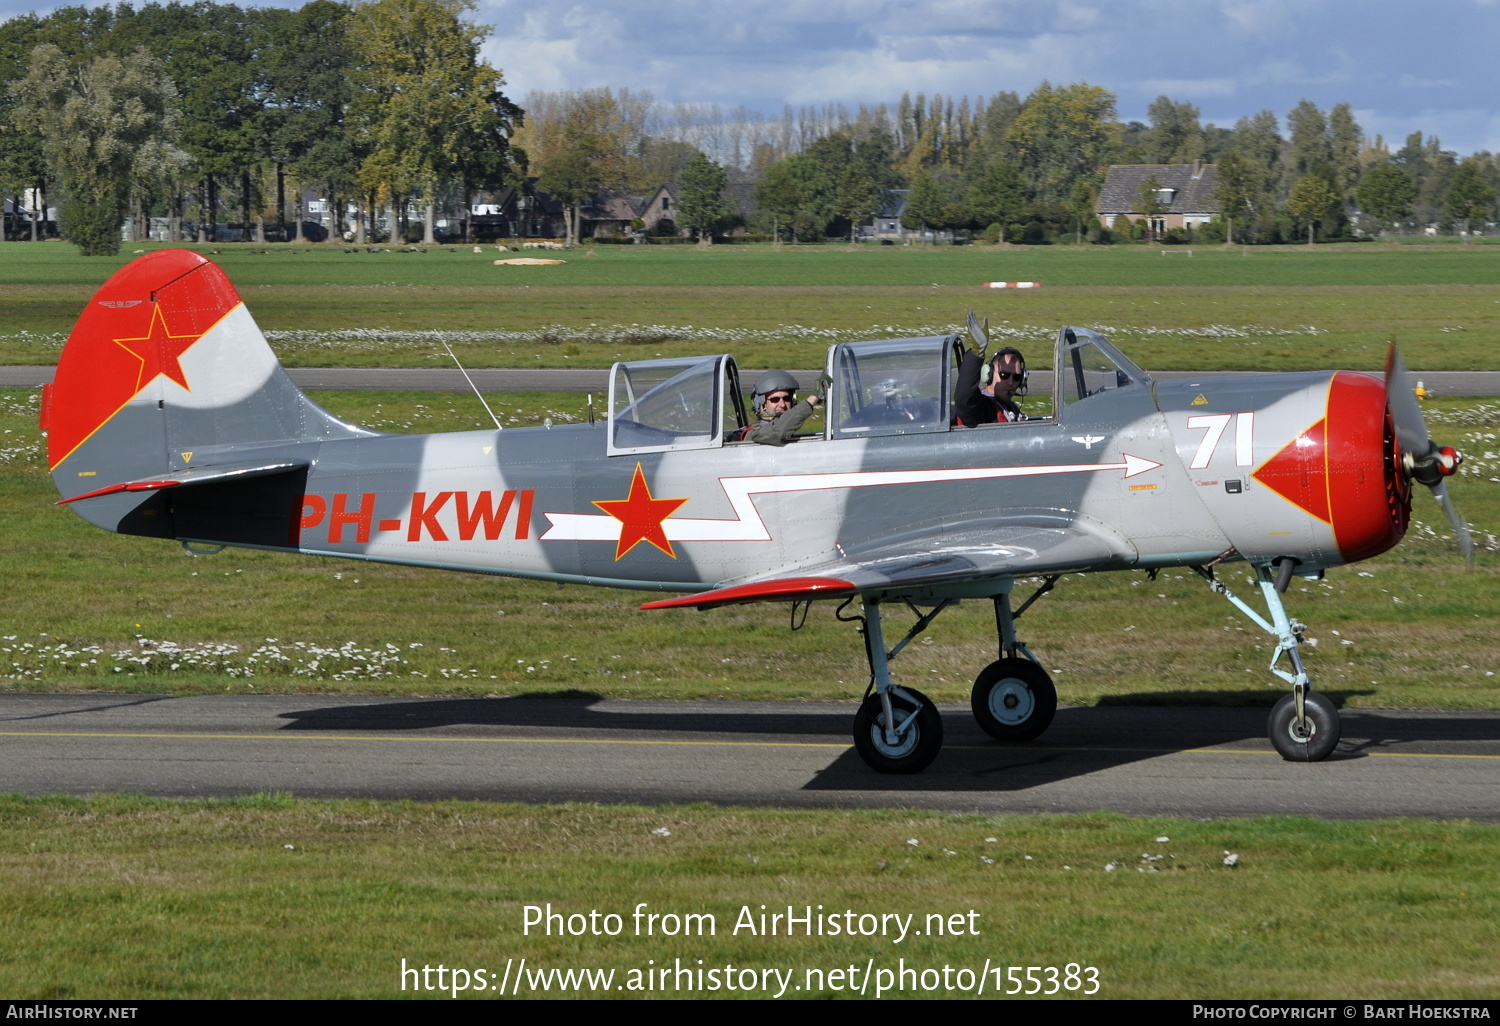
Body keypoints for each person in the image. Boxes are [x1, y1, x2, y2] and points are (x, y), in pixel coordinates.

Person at [732, 370, 821, 446]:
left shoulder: (787, 430)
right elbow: (777, 430)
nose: (782, 404)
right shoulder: (755, 433)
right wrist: (812, 400)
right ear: (762, 403)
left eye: (786, 398)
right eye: (775, 399)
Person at [955, 345, 1028, 426]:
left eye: (1016, 377)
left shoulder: (1010, 408)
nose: (1010, 382)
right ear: (989, 374)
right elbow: (965, 398)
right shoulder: (982, 407)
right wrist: (976, 351)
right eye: (1004, 375)